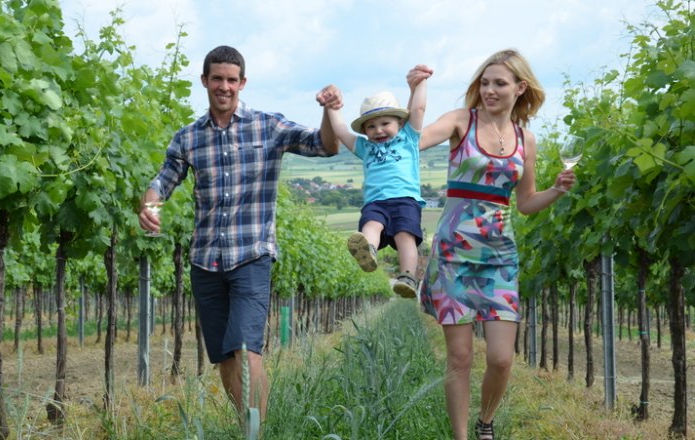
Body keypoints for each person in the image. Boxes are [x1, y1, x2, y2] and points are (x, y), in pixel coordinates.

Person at [138, 45, 342, 425]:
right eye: (217, 78)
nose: (224, 86)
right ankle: (246, 426)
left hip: (252, 256)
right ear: (205, 81)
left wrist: (329, 110)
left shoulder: (268, 126)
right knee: (224, 357)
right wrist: (150, 205)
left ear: (242, 83)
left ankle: (257, 434)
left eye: (232, 80)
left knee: (246, 350)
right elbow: (163, 180)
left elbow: (325, 146)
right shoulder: (188, 138)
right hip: (205, 260)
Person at [411, 50, 576, 440]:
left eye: (499, 83)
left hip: (500, 256)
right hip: (453, 254)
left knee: (502, 359)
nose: (489, 90)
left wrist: (555, 190)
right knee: (461, 356)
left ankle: (487, 421)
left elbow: (525, 203)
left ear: (520, 88)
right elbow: (414, 139)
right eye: (484, 82)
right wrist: (416, 89)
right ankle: (462, 436)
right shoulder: (460, 121)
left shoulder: (526, 139)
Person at [321, 65, 431, 298]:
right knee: (371, 226)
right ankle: (368, 251)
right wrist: (331, 107)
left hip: (405, 199)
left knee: (405, 236)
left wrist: (421, 82)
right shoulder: (365, 147)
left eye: (385, 123)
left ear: (400, 124)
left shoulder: (408, 138)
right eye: (371, 126)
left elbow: (418, 108)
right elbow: (340, 130)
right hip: (375, 202)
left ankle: (408, 277)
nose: (378, 130)